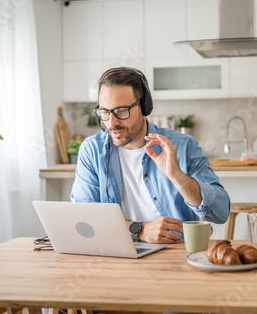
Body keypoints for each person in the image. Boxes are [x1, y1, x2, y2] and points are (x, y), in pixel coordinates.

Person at [71, 67, 230, 243]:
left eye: (122, 111)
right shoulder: (92, 150)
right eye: (105, 112)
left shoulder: (183, 146)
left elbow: (220, 213)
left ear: (144, 107)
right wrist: (138, 230)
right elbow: (84, 219)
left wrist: (176, 176)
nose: (112, 123)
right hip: (116, 254)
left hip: (174, 257)